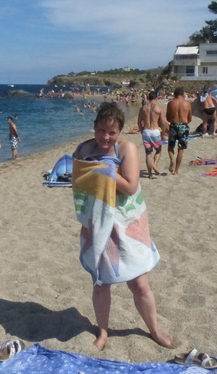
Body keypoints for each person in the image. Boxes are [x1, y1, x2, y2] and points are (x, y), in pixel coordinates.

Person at [72, 102, 173, 351]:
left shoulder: (126, 148)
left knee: (139, 282)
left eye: (112, 132)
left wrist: (106, 170)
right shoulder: (84, 149)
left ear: (119, 131)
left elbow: (129, 186)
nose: (105, 138)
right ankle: (103, 332)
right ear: (94, 128)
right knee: (101, 282)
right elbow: (77, 182)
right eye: (101, 131)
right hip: (98, 220)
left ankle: (155, 330)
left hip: (127, 222)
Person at [137, 91, 169, 179]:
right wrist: (163, 132)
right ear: (156, 98)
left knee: (148, 153)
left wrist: (142, 130)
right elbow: (162, 123)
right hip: (155, 131)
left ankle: (150, 175)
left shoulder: (143, 108)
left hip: (146, 131)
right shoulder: (159, 108)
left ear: (148, 98)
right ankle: (154, 164)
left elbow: (139, 122)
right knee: (158, 151)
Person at [166, 87, 192, 175]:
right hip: (184, 126)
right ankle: (176, 171)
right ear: (183, 94)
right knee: (181, 149)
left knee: (170, 147)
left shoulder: (170, 103)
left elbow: (168, 117)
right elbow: (189, 118)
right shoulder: (187, 104)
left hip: (173, 125)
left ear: (174, 94)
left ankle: (172, 159)